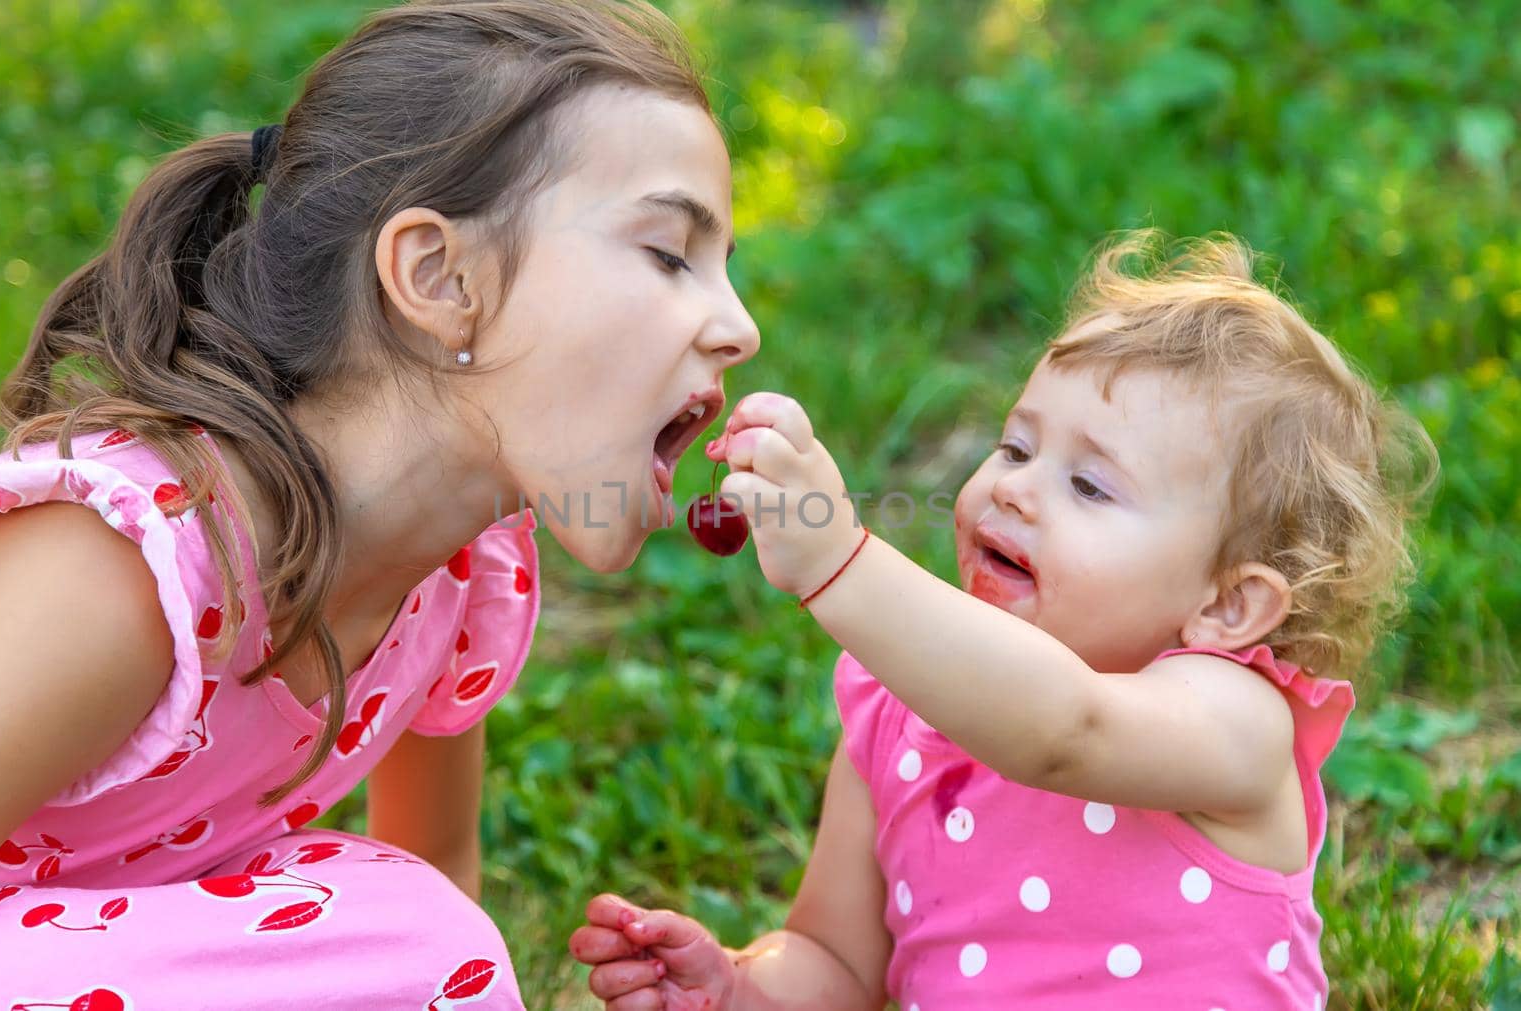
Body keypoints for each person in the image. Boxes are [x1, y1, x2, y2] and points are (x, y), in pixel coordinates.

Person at [0, 1, 758, 1006]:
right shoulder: (125, 566)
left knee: (419, 935)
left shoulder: (454, 582)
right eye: (669, 254)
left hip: (61, 957)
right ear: (440, 276)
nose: (738, 330)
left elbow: (421, 938)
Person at [572, 232, 1436, 1010]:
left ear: (1226, 606)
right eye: (1016, 447)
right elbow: (835, 961)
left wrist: (840, 561)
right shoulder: (897, 711)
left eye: (1090, 485)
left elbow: (1064, 726)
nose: (1015, 487)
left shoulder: (1234, 724)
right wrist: (737, 984)